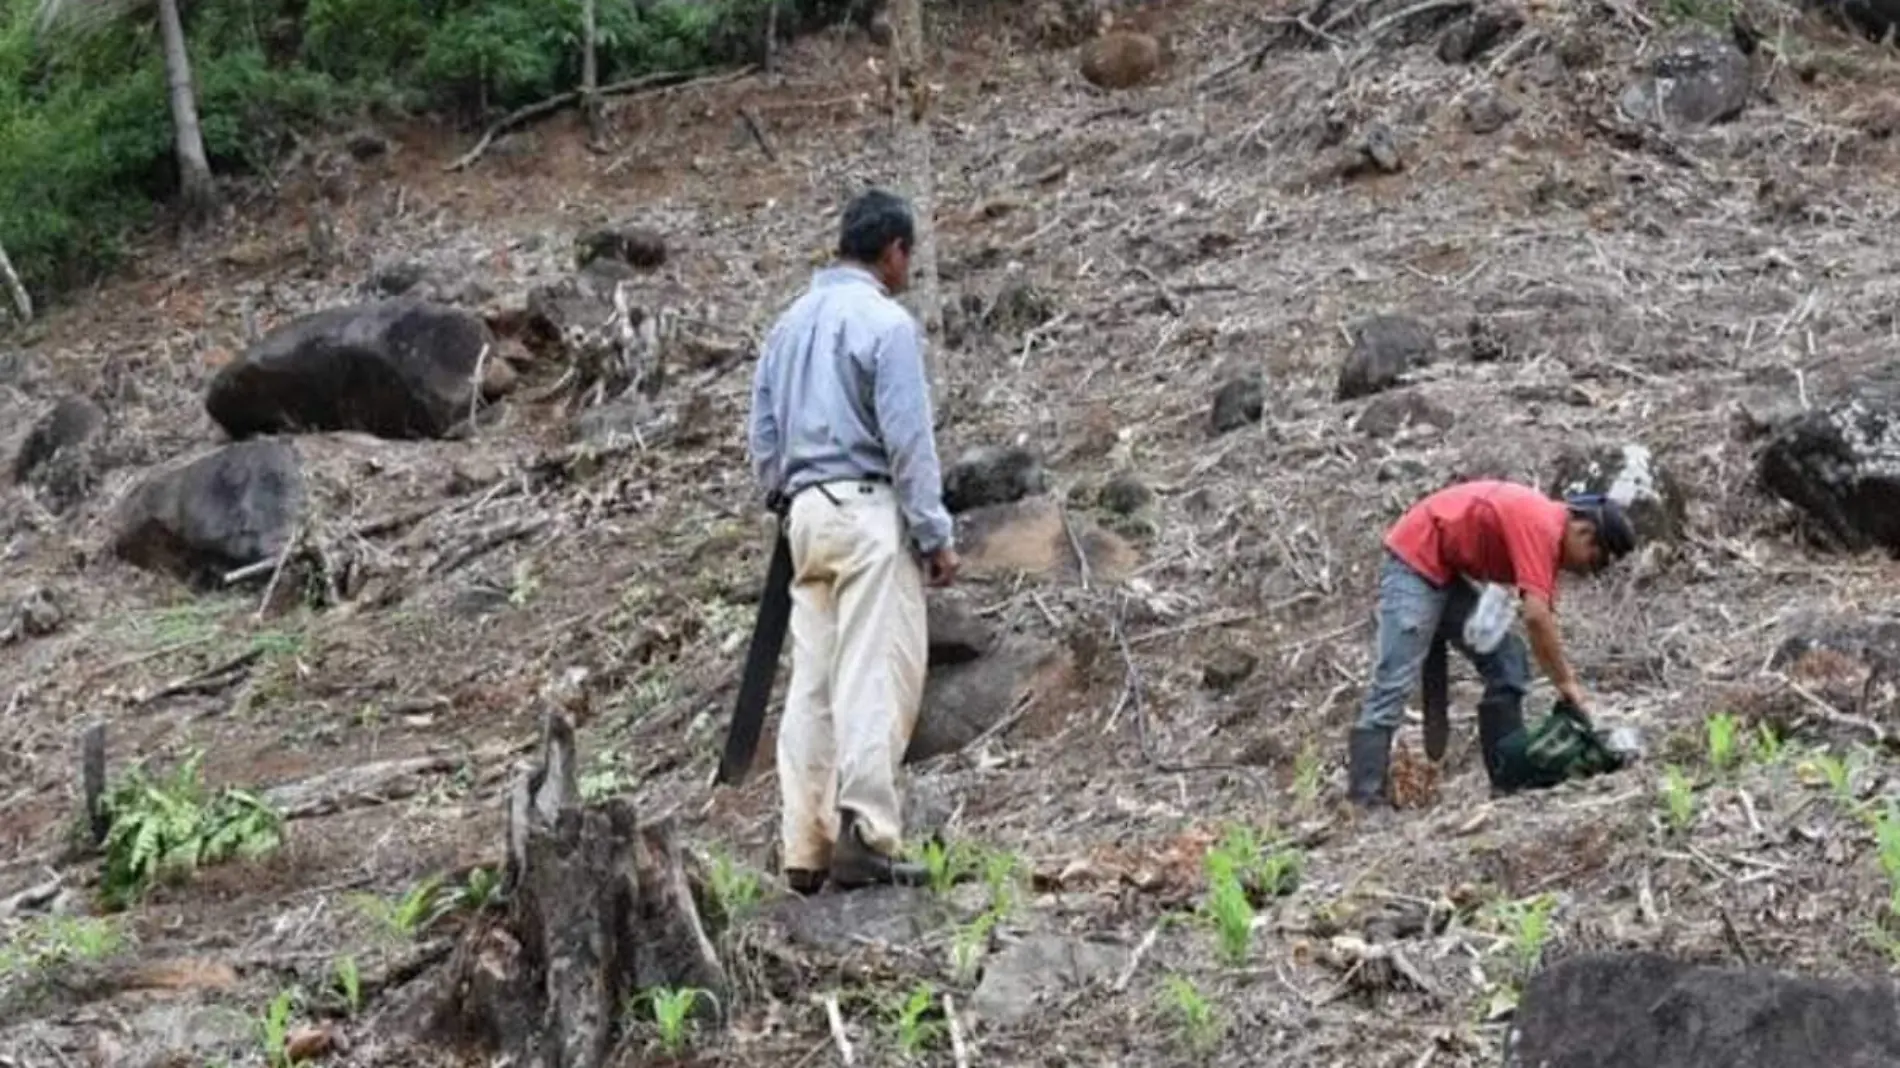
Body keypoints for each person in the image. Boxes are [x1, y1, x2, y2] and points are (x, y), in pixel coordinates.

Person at [746, 188, 960, 892]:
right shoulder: (885, 324)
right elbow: (908, 440)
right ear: (893, 251)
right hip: (868, 511)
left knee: (812, 681)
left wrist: (789, 495)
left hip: (804, 515)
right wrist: (933, 532)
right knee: (873, 671)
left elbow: (764, 441)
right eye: (908, 256)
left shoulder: (787, 327)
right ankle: (866, 833)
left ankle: (803, 845)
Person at [1347, 479, 1637, 808]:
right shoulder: (1542, 526)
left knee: (1507, 659)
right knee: (1393, 682)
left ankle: (1508, 777)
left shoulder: (1548, 535)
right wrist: (1566, 683)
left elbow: (1536, 613)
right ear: (1584, 532)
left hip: (1448, 569)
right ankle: (1364, 799)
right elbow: (1537, 618)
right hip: (1415, 559)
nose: (1588, 570)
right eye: (1595, 560)